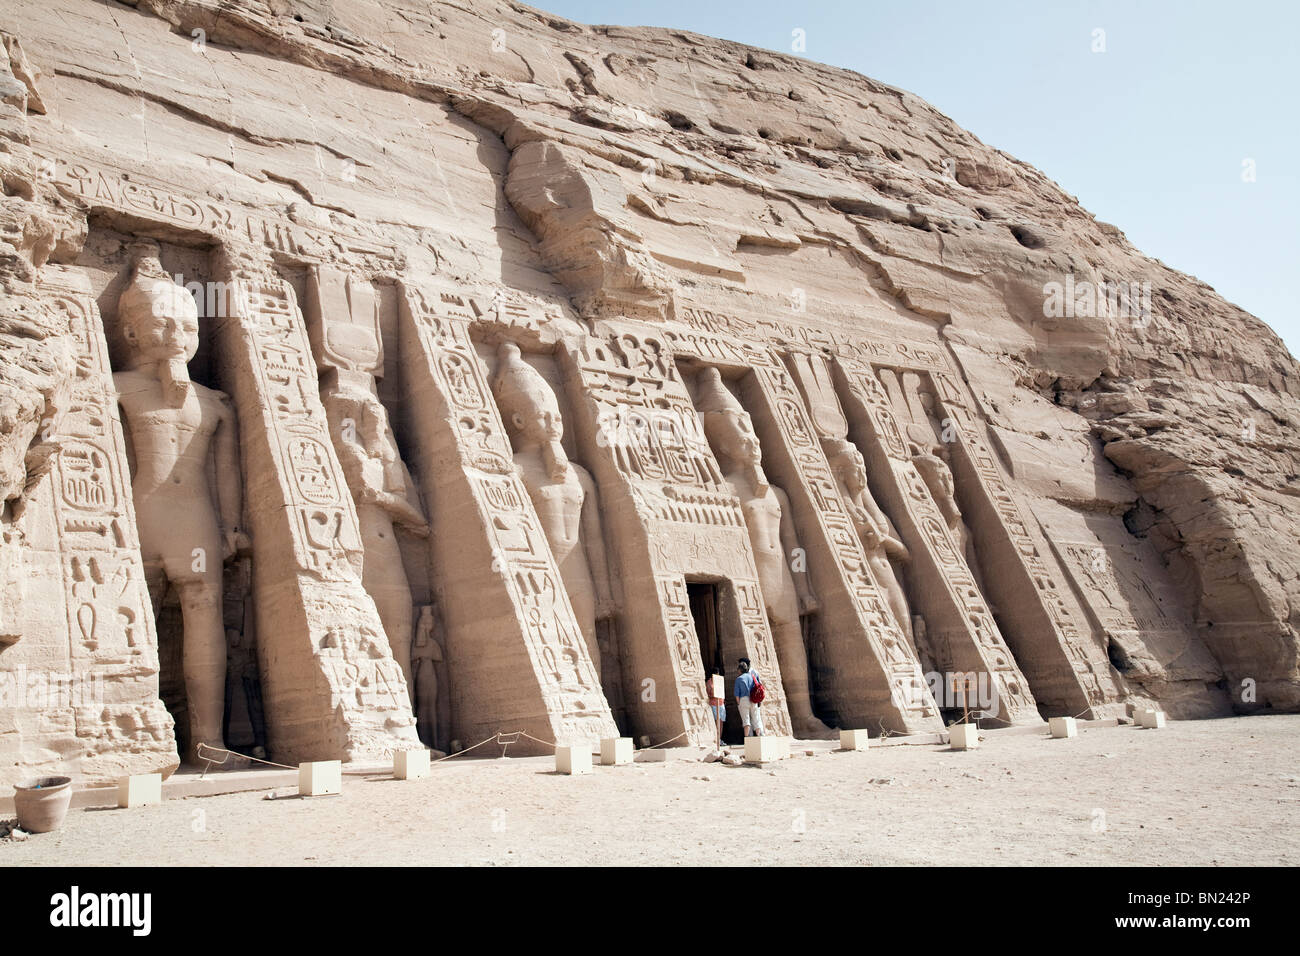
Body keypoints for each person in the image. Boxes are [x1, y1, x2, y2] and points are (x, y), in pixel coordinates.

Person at [734, 657, 763, 737]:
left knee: (746, 721)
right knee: (756, 719)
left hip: (743, 700)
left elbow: (737, 694)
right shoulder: (752, 677)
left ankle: (747, 738)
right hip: (753, 700)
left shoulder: (739, 679)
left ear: (740, 670)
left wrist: (738, 703)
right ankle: (758, 736)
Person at [706, 670, 726, 748]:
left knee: (721, 722)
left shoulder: (720, 680)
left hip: (721, 703)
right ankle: (716, 739)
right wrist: (713, 693)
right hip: (714, 703)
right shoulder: (709, 682)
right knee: (716, 721)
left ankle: (719, 738)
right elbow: (708, 693)